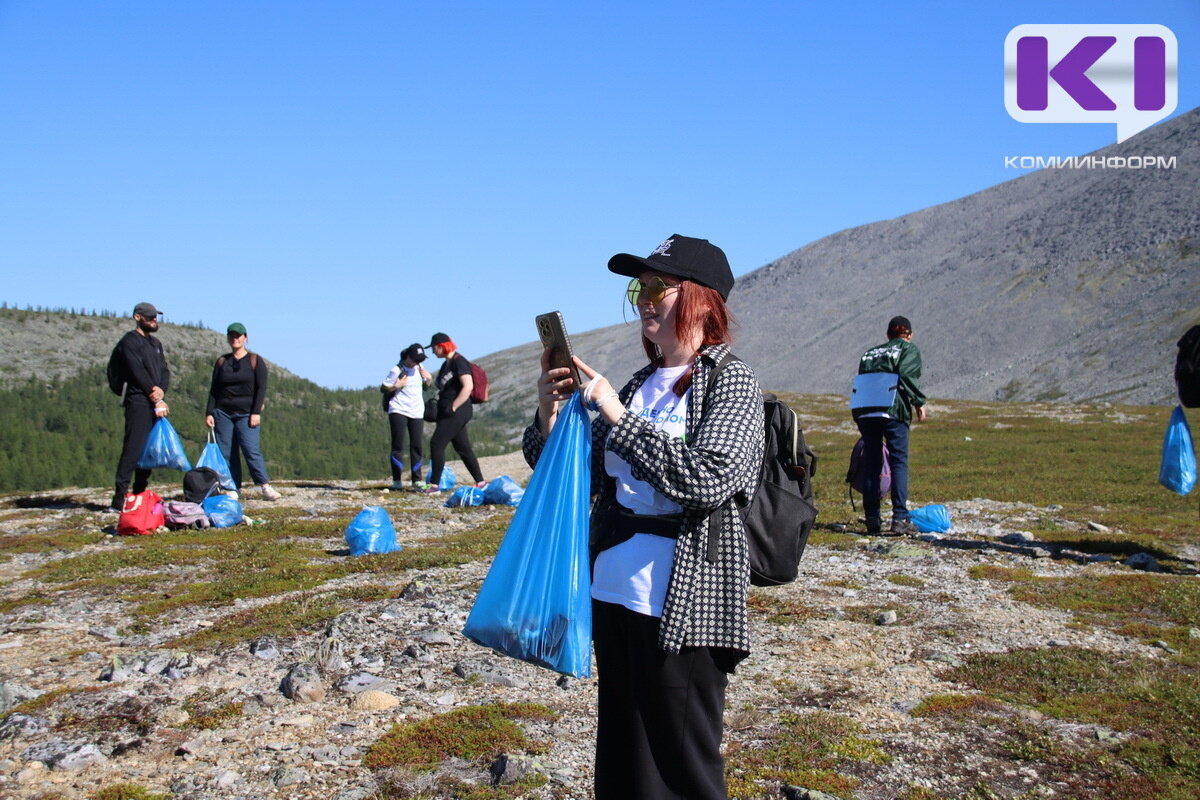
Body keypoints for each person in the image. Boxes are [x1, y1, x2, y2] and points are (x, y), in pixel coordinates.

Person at [522, 234, 765, 800]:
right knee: (627, 760)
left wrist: (612, 411)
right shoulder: (638, 384)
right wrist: (549, 411)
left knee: (685, 765)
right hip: (613, 590)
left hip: (686, 604)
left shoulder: (730, 381)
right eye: (640, 288)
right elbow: (567, 468)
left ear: (702, 299)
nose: (645, 299)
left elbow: (710, 478)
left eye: (659, 286)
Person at [851, 315, 927, 535]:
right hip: (892, 409)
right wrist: (919, 402)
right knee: (898, 461)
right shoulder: (908, 349)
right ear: (909, 335)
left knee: (872, 462)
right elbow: (906, 375)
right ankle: (899, 518)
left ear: (888, 334)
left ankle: (872, 519)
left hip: (865, 410)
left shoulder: (869, 353)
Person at [204, 323, 281, 501]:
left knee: (250, 449)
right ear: (228, 338)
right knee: (226, 452)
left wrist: (256, 412)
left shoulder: (255, 360)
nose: (235, 339)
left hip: (247, 414)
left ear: (246, 338)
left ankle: (265, 486)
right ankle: (232, 488)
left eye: (238, 335)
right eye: (232, 335)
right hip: (223, 413)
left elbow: (261, 388)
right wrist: (209, 412)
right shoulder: (222, 362)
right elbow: (214, 389)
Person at [110, 302, 171, 511]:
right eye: (150, 317)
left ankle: (139, 493)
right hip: (137, 401)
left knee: (150, 451)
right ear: (138, 317)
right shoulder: (129, 341)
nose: (155, 320)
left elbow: (164, 370)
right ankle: (119, 498)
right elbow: (136, 370)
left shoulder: (156, 343)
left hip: (155, 402)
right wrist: (154, 393)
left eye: (156, 317)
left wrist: (161, 390)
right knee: (133, 448)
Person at [424, 332, 486, 492]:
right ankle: (480, 482)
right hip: (450, 411)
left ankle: (434, 485)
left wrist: (453, 406)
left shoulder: (459, 362)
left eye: (434, 348)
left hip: (458, 411)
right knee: (463, 447)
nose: (432, 352)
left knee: (436, 443)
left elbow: (468, 386)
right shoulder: (447, 364)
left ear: (442, 346)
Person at [382, 343, 434, 490]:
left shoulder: (420, 369)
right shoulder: (396, 370)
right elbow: (383, 388)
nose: (419, 362)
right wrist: (396, 386)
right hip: (398, 409)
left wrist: (428, 379)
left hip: (416, 411)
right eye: (416, 359)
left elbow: (425, 387)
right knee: (398, 446)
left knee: (417, 446)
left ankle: (417, 481)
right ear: (408, 357)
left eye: (421, 359)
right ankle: (397, 481)